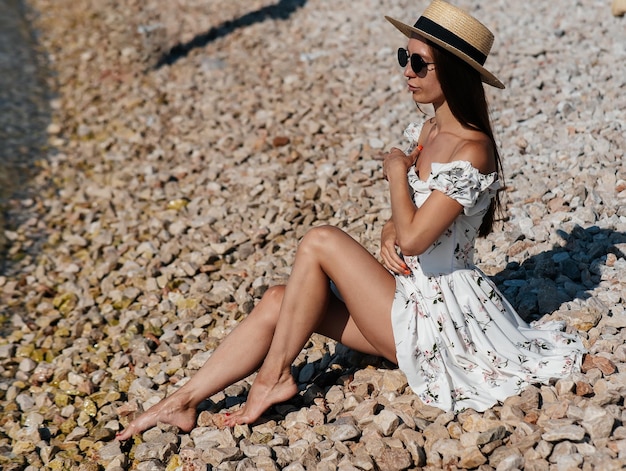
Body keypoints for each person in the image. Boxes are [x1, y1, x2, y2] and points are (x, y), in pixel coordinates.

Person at [117, 0, 587, 440]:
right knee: (282, 298)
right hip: (404, 295)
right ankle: (180, 400)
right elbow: (408, 225)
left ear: (458, 74)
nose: (407, 70)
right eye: (405, 56)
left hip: (441, 318)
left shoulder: (473, 150)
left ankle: (273, 378)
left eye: (419, 63)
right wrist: (388, 227)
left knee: (320, 240)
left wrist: (396, 175)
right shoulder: (427, 129)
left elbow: (419, 238)